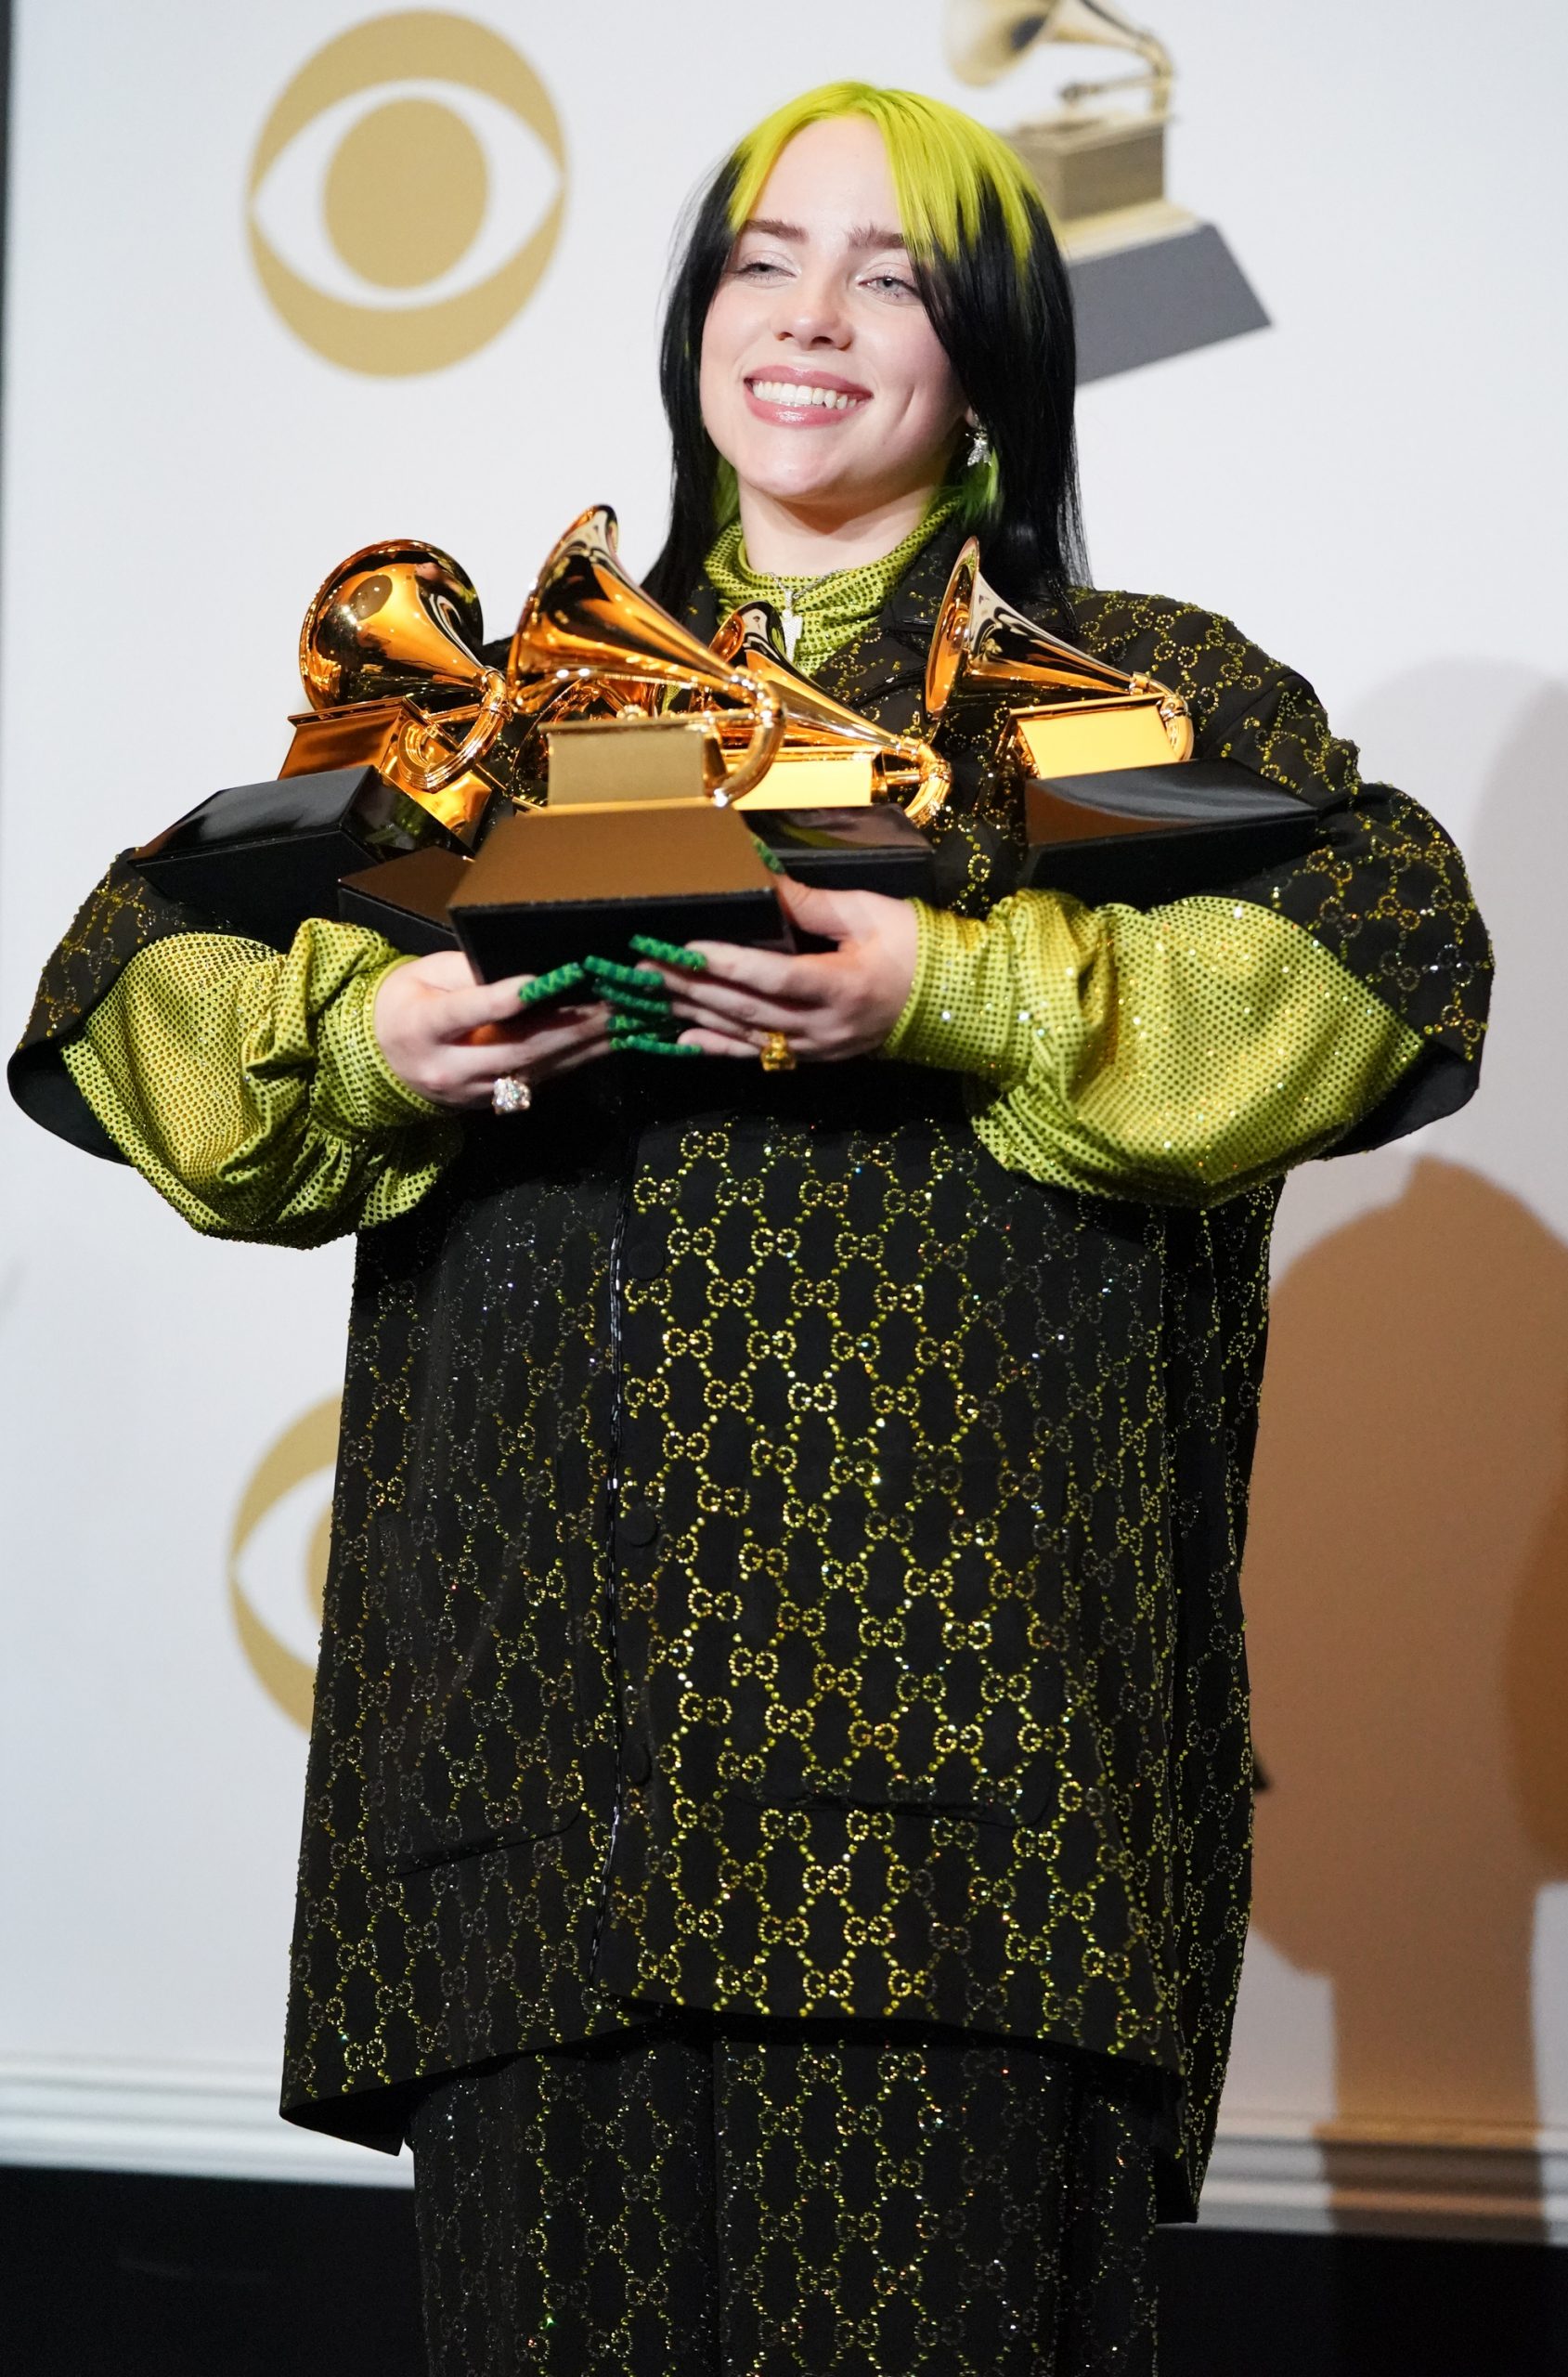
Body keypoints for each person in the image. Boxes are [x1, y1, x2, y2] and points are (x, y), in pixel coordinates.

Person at [11, 81, 1491, 2377]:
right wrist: (373, 1035)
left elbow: (1385, 959)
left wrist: (954, 985)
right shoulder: (487, 712)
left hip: (974, 1818)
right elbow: (123, 994)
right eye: (760, 262)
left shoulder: (1120, 695)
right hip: (542, 1822)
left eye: (891, 275)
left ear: (991, 357)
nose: (807, 319)